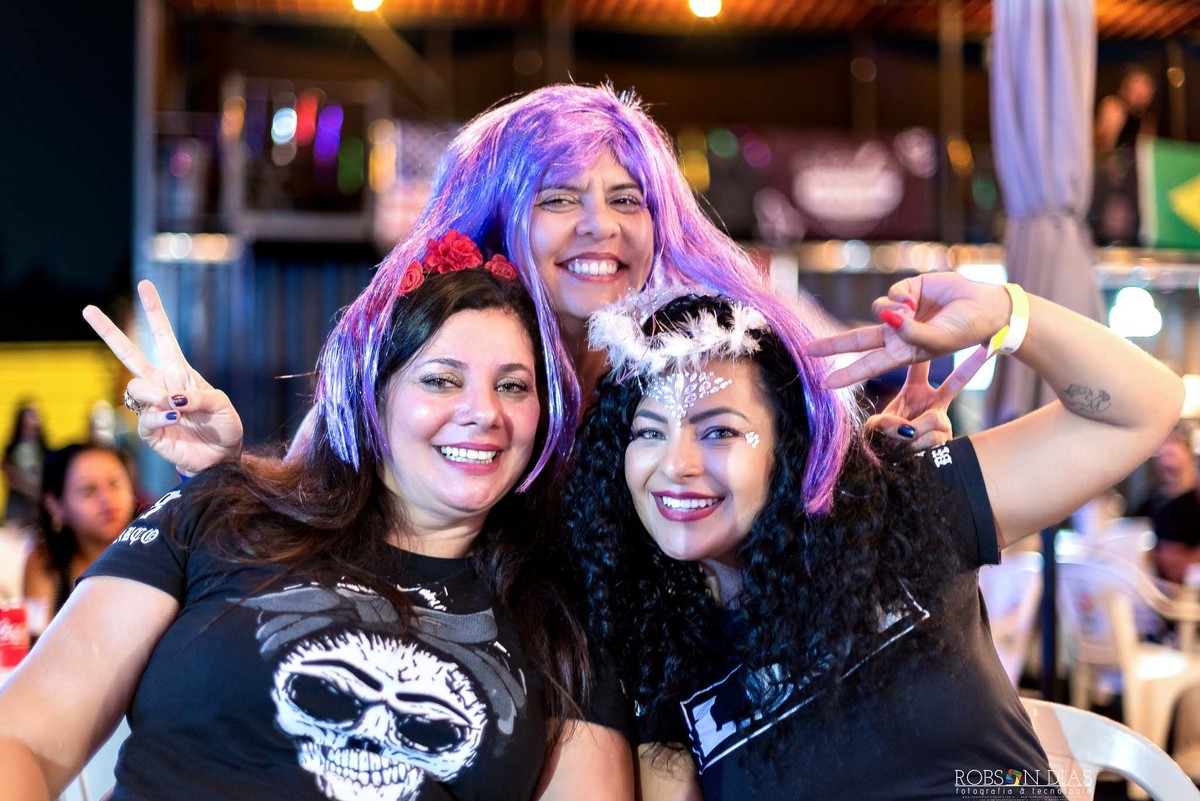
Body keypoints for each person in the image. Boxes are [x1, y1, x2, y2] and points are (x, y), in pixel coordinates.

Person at [0, 234, 631, 801]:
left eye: (513, 386)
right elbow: (21, 740)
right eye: (441, 380)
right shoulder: (219, 517)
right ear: (372, 393)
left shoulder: (560, 623)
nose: (484, 413)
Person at [88, 83, 959, 485]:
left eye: (627, 199)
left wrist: (875, 458)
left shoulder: (689, 371)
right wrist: (229, 467)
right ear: (499, 214)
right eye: (559, 199)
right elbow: (319, 515)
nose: (600, 226)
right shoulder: (418, 368)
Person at [567, 271, 1183, 799]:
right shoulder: (652, 649)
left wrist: (1007, 313)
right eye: (648, 433)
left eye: (719, 432)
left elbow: (1142, 408)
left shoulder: (901, 508)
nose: (675, 465)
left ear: (791, 446)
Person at [22, 443, 139, 638]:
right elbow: (37, 642)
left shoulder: (160, 547)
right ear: (55, 505)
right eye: (88, 490)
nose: (107, 499)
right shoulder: (45, 557)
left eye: (115, 483)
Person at [1135, 426, 1200, 584]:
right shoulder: (1152, 500)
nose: (1166, 462)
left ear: (1189, 457)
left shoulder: (1191, 502)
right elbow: (1173, 569)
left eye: (1172, 455)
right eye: (1162, 456)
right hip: (1157, 586)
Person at [3, 404, 48, 530]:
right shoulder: (12, 449)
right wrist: (30, 490)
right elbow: (10, 476)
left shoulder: (43, 449)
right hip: (18, 506)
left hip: (38, 507)